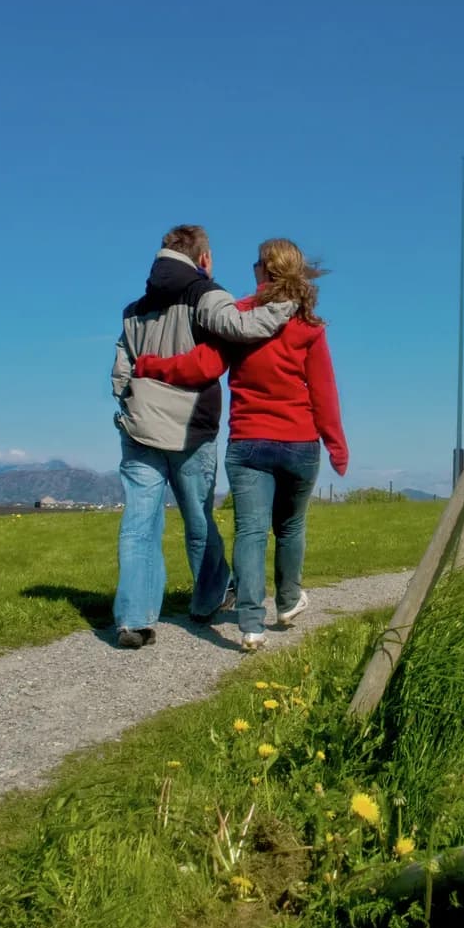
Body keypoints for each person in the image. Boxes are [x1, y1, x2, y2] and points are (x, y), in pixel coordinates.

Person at [134, 237, 348, 651]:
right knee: (290, 527)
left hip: (248, 442)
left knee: (250, 531)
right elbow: (324, 393)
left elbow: (202, 366)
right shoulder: (309, 326)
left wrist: (150, 366)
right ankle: (288, 601)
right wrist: (337, 446)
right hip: (300, 443)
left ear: (264, 270)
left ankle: (251, 624)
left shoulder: (240, 316)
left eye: (256, 263)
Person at [111, 224, 296, 649]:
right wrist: (286, 306)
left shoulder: (134, 308)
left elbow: (121, 370)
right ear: (204, 258)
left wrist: (131, 401)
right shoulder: (205, 293)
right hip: (191, 426)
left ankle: (133, 619)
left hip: (140, 426)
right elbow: (240, 327)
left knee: (138, 523)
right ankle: (209, 596)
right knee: (197, 519)